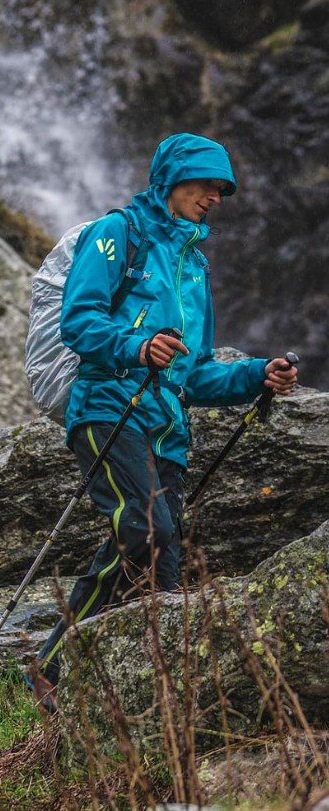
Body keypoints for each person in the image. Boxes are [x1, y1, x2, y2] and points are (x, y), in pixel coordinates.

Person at [27, 133, 298, 710]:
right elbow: (79, 323)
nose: (216, 197)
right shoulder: (116, 234)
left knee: (161, 566)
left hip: (168, 429)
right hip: (109, 407)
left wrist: (256, 375)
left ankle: (101, 692)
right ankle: (54, 671)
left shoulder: (194, 268)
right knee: (145, 534)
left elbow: (196, 374)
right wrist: (135, 346)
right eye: (206, 184)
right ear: (172, 178)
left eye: (222, 189)